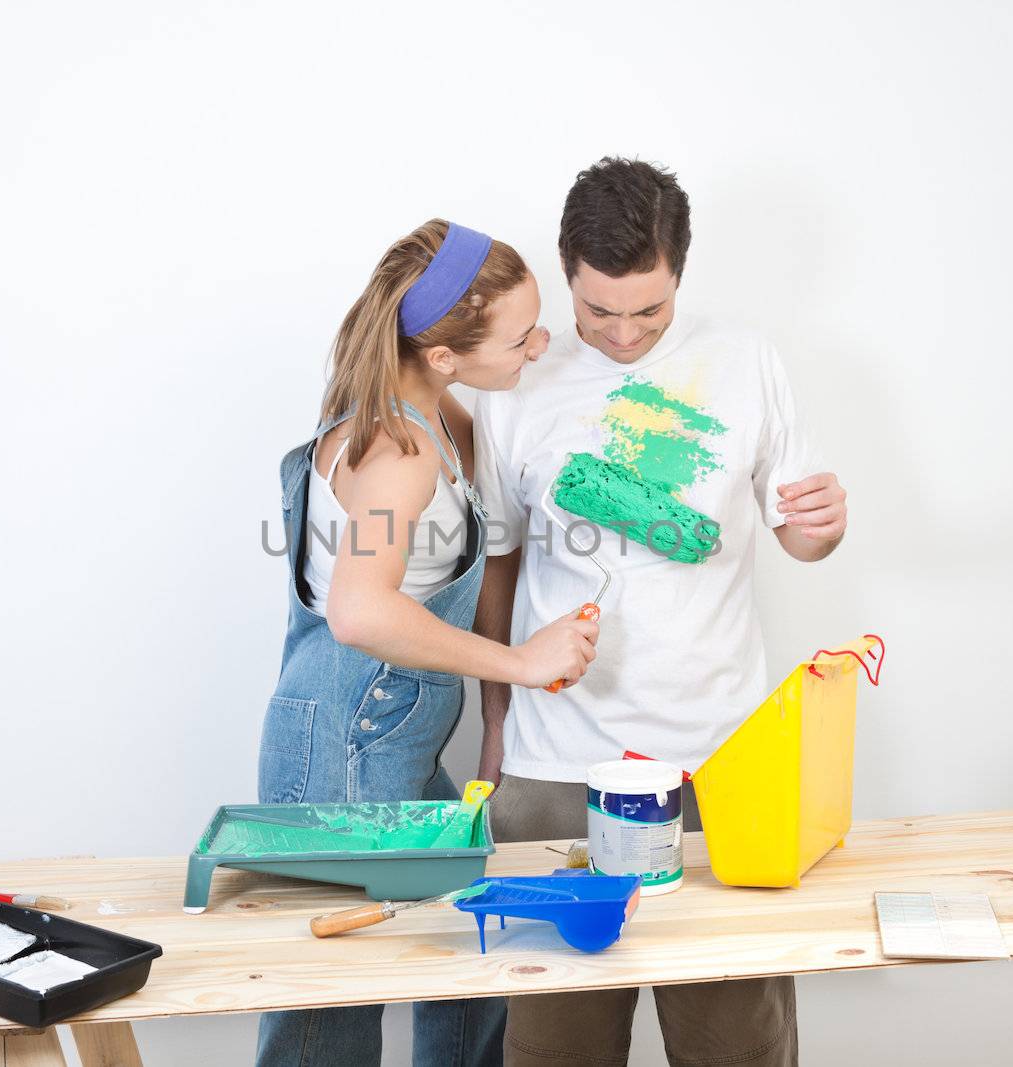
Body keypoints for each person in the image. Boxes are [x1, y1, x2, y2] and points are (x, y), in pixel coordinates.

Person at [473, 159, 850, 1066]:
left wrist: (822, 530)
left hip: (720, 767)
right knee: (556, 1050)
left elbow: (799, 536)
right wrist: (494, 722)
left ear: (679, 271)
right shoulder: (516, 379)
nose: (626, 332)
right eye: (601, 312)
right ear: (567, 271)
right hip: (558, 766)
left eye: (650, 310)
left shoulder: (748, 359)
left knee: (738, 1049)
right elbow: (498, 560)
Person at [255, 219, 601, 1067]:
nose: (542, 343)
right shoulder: (399, 451)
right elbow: (359, 611)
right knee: (331, 1004)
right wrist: (522, 663)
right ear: (443, 354)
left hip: (387, 730)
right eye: (522, 337)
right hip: (346, 732)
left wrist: (495, 717)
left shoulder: (435, 411)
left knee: (469, 943)